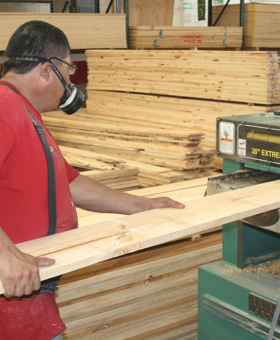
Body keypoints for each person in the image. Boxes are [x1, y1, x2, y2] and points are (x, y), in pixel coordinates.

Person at [0, 20, 185, 340]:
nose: (71, 82)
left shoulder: (26, 113)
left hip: (31, 292)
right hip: (10, 291)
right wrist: (2, 253)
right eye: (69, 71)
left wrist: (141, 204)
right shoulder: (4, 107)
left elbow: (69, 183)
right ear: (47, 71)